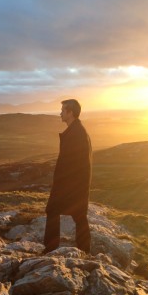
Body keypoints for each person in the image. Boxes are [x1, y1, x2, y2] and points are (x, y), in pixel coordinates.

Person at [43, 99, 92, 254]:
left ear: (70, 112)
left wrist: (62, 184)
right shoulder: (77, 130)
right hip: (75, 184)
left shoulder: (76, 133)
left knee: (53, 211)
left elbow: (73, 162)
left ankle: (51, 247)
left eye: (63, 110)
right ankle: (84, 250)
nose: (60, 113)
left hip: (71, 184)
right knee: (78, 216)